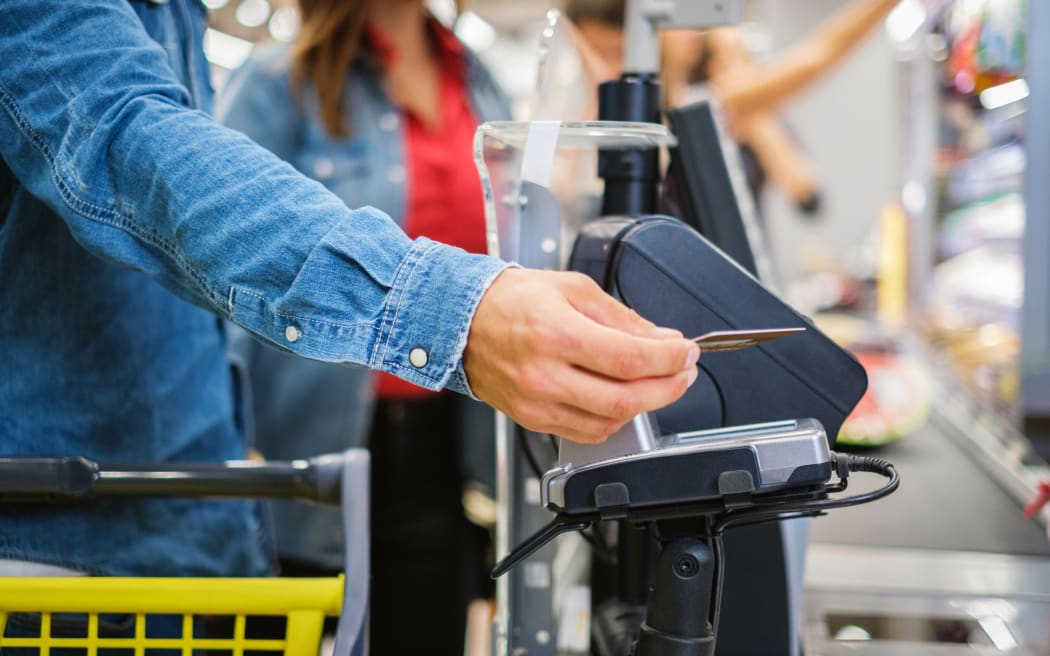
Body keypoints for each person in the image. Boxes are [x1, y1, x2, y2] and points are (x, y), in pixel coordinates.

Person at [0, 0, 699, 590]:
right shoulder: (281, 81)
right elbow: (151, 171)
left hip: (321, 465)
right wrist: (454, 311)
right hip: (92, 523)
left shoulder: (470, 75)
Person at [216, 1, 510, 652]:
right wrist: (225, 437)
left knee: (426, 629)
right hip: (305, 440)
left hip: (448, 442)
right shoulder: (278, 84)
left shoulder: (476, 77)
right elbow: (218, 270)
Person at [566, 0, 899, 215]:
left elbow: (817, 55)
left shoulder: (705, 105)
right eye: (594, 52)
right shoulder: (586, 120)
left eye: (618, 51)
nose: (608, 68)